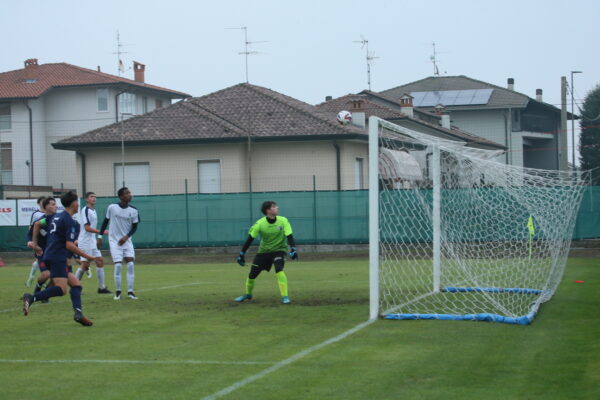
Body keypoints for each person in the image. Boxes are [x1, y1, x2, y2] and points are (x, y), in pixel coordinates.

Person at [22, 191, 95, 326]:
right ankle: (31, 297)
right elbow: (69, 245)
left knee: (76, 285)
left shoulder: (55, 217)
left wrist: (35, 244)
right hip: (57, 257)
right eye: (77, 202)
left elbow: (37, 224)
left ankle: (78, 313)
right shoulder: (69, 221)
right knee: (61, 289)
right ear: (74, 204)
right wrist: (87, 256)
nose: (78, 205)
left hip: (51, 255)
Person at [234, 201, 298, 304]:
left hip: (279, 250)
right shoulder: (260, 224)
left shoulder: (283, 220)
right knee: (252, 274)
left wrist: (293, 248)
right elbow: (250, 239)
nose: (277, 208)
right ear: (268, 210)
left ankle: (285, 296)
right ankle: (248, 294)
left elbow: (289, 236)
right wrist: (241, 254)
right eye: (274, 207)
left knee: (279, 269)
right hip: (264, 252)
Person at [99, 187, 139, 300]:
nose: (130, 195)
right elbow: (105, 222)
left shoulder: (134, 210)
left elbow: (135, 227)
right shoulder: (112, 207)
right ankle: (118, 292)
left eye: (130, 193)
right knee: (117, 266)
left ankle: (130, 292)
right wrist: (100, 236)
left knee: (130, 265)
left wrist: (126, 237)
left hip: (126, 241)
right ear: (121, 196)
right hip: (114, 241)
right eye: (127, 193)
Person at [75, 192, 111, 294]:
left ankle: (101, 288)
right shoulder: (85, 210)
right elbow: (87, 228)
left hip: (92, 241)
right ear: (87, 199)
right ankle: (75, 287)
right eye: (92, 197)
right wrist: (102, 232)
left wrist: (98, 236)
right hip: (85, 241)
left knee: (100, 261)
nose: (94, 198)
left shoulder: (93, 210)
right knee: (85, 265)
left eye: (95, 196)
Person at [26, 197, 57, 300]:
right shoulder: (42, 221)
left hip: (54, 253)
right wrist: (32, 243)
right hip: (42, 252)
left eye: (55, 204)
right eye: (52, 204)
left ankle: (44, 295)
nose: (55, 206)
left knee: (55, 278)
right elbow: (30, 233)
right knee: (46, 274)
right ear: (46, 207)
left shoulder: (58, 220)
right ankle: (37, 291)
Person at [25, 196, 46, 287]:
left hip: (48, 241)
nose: (43, 203)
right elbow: (31, 227)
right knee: (39, 259)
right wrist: (32, 241)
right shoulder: (36, 214)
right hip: (38, 241)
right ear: (38, 203)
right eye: (42, 201)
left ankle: (32, 278)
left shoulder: (51, 214)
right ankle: (36, 278)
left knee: (39, 261)